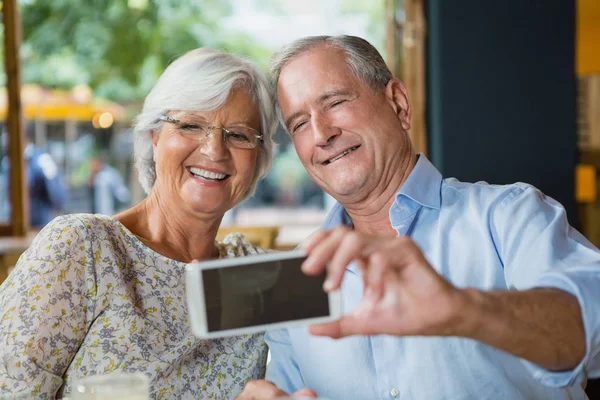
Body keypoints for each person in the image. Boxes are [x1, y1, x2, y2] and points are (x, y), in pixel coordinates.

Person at [238, 35, 600, 399]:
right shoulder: (295, 277)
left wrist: (466, 310)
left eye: (335, 102)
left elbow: (593, 324)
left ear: (398, 104)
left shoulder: (508, 215)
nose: (320, 134)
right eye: (299, 124)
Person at [0, 48, 282, 399]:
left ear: (260, 159)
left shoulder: (258, 276)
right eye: (191, 125)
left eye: (238, 134)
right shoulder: (84, 248)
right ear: (154, 136)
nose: (214, 150)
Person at [0, 125, 68, 228]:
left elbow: (58, 195)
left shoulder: (42, 160)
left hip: (39, 224)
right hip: (15, 223)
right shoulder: (7, 163)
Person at [88, 151, 130, 215]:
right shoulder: (99, 175)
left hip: (109, 214)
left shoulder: (107, 175)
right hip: (103, 214)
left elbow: (122, 195)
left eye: (93, 164)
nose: (91, 167)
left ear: (98, 162)